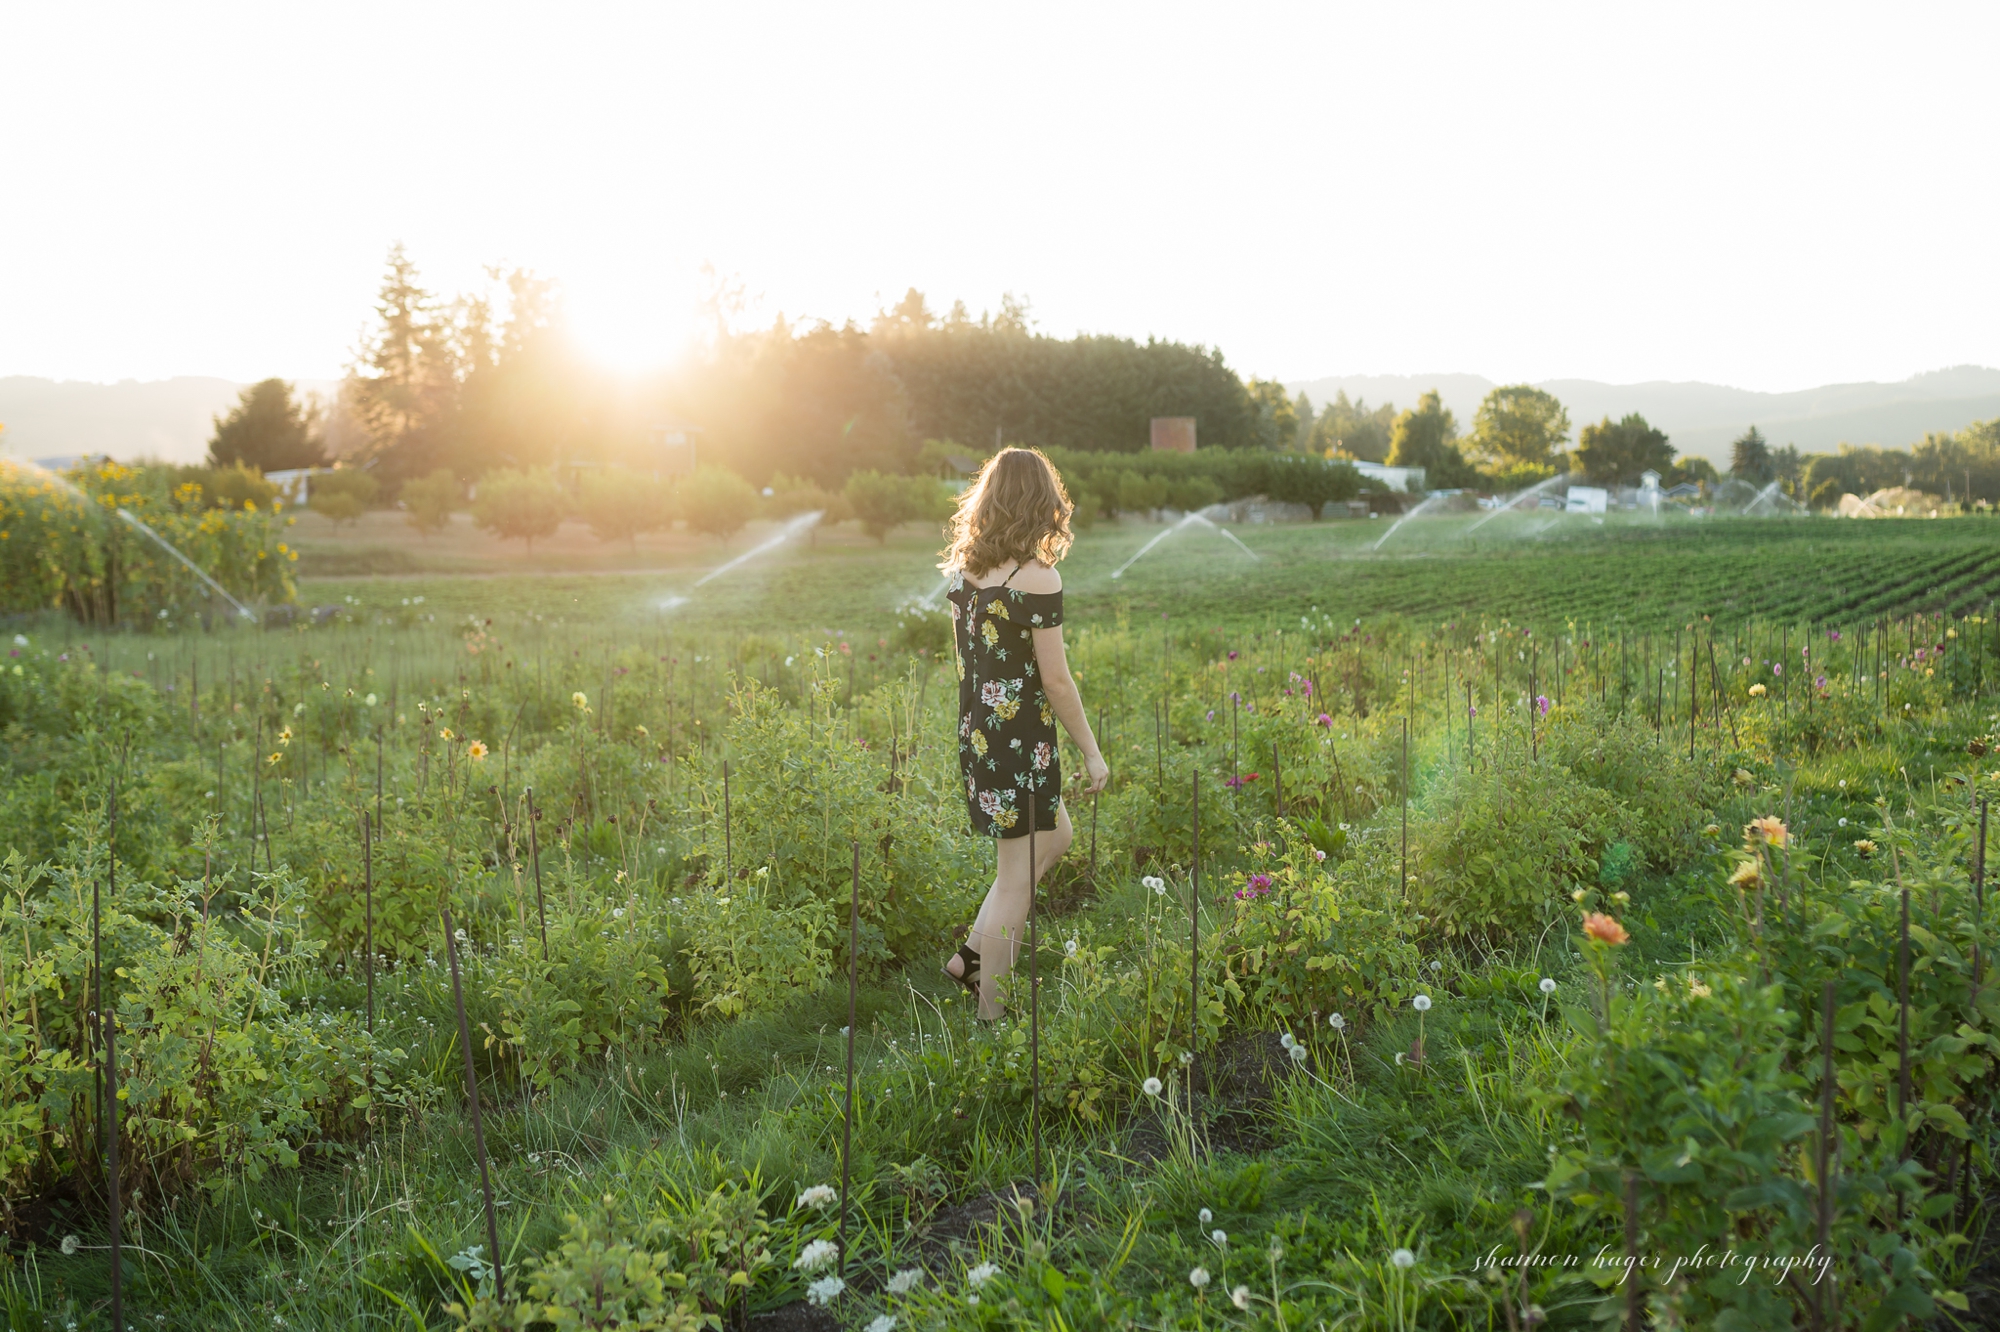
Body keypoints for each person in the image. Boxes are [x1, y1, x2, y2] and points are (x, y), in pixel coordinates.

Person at [939, 447, 1109, 1020]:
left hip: (980, 738)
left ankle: (969, 956)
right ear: (1042, 502)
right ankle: (993, 1017)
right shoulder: (1036, 578)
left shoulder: (969, 570)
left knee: (1055, 837)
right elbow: (1057, 682)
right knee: (1015, 880)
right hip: (1018, 744)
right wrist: (1091, 752)